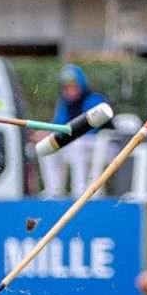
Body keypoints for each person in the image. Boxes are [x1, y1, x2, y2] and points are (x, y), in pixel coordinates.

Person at [38, 63, 109, 197]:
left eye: (72, 85)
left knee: (77, 144)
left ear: (80, 84)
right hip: (75, 143)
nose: (69, 90)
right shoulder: (64, 104)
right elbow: (58, 126)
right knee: (46, 146)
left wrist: (66, 134)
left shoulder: (94, 99)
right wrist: (47, 134)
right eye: (66, 87)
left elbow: (92, 129)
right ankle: (53, 191)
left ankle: (80, 190)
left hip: (102, 144)